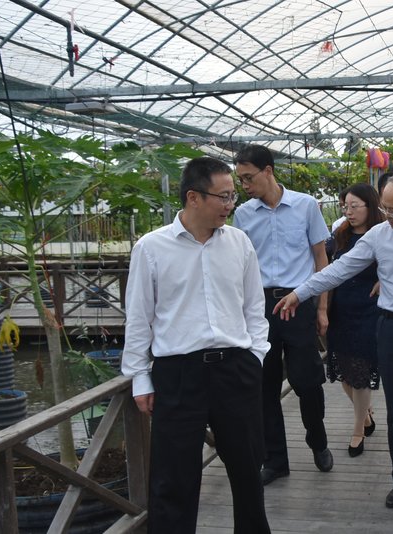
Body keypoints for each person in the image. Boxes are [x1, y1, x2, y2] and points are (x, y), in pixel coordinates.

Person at [273, 173, 393, 526]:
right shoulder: (379, 236)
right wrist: (300, 293)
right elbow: (339, 269)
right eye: (383, 208)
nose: (386, 215)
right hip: (390, 330)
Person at [121, 156, 271, 533]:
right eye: (223, 196)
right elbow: (138, 317)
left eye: (233, 195)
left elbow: (254, 307)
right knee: (173, 478)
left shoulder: (239, 242)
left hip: (236, 369)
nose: (230, 204)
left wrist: (255, 356)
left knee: (248, 469)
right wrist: (139, 377)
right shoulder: (151, 248)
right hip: (178, 373)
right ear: (193, 197)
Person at [232, 144, 333, 486]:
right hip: (260, 306)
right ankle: (275, 460)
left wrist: (321, 307)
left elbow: (321, 259)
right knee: (265, 385)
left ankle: (318, 440)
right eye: (240, 179)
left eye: (249, 177)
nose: (245, 185)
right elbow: (239, 266)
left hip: (299, 302)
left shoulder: (305, 206)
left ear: (268, 171)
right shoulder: (243, 215)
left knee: (308, 380)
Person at [325, 183, 384, 456]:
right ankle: (366, 414)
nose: (348, 211)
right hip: (341, 310)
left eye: (354, 206)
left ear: (370, 207)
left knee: (360, 372)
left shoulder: (383, 235)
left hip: (369, 311)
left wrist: (385, 280)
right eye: (345, 206)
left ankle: (358, 429)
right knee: (344, 372)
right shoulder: (340, 235)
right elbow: (326, 267)